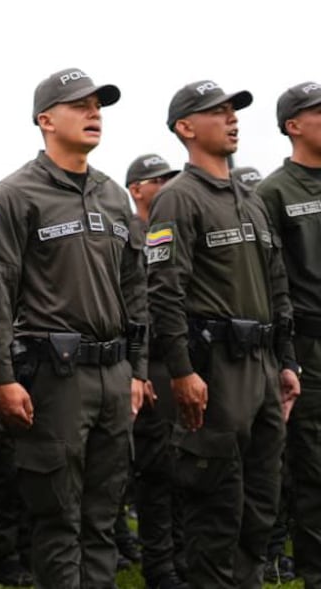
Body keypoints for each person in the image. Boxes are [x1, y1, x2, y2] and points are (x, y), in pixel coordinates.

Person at [0, 68, 148, 589]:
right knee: (56, 518)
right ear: (45, 120)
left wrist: (138, 370)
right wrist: (1, 377)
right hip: (54, 376)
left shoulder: (116, 196)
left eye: (98, 105)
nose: (94, 113)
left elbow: (135, 289)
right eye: (81, 105)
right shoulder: (14, 194)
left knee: (103, 517)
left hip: (114, 375)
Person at [146, 80, 300, 588]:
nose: (232, 118)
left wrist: (286, 360)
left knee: (261, 502)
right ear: (185, 128)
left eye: (234, 111)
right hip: (215, 367)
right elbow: (164, 291)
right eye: (217, 112)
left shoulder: (252, 201)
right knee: (215, 504)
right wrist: (182, 371)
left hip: (261, 367)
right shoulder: (178, 199)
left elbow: (277, 283)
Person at [256, 81, 321, 587]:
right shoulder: (273, 192)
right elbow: (268, 279)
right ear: (292, 125)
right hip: (308, 344)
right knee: (310, 466)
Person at [122, 154, 186, 589]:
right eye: (156, 179)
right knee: (155, 468)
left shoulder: (174, 228)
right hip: (146, 363)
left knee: (185, 466)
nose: (165, 185)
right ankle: (159, 565)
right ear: (136, 189)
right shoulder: (128, 231)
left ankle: (180, 557)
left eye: (169, 178)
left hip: (179, 360)